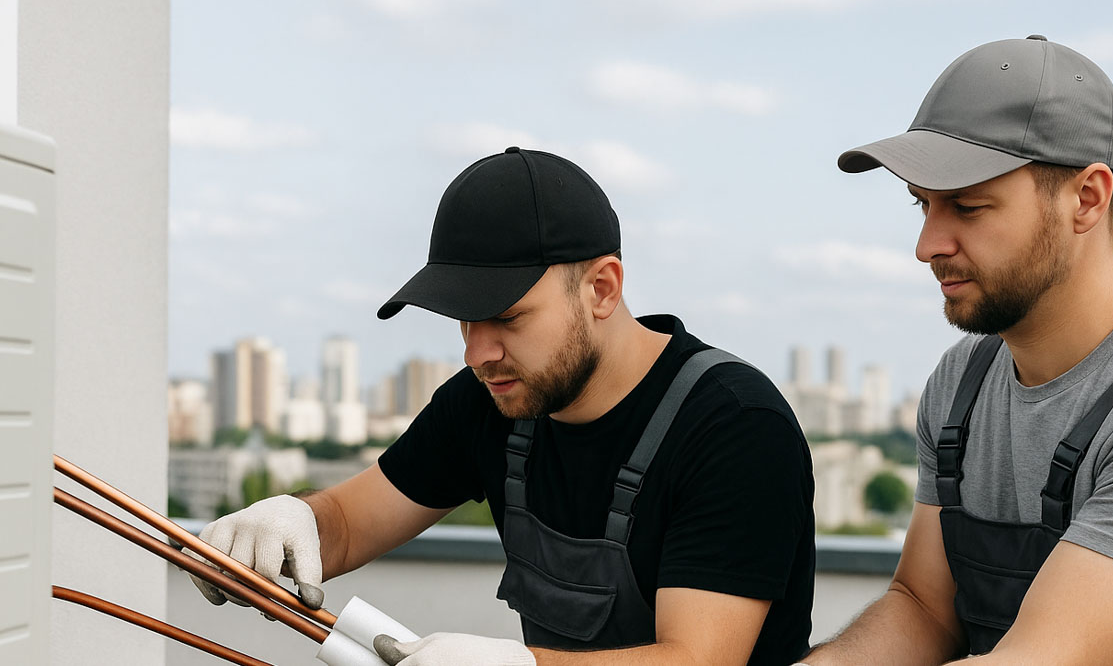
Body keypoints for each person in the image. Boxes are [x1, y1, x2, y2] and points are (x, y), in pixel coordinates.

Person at [191, 147, 815, 665]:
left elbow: (697, 661)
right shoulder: (492, 399)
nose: (478, 352)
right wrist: (288, 526)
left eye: (507, 318)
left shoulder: (734, 428)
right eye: (464, 320)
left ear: (602, 289)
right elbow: (351, 523)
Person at [801, 36, 1113, 665]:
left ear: (1086, 199)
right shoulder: (963, 380)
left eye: (967, 206)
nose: (927, 243)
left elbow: (1041, 656)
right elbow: (923, 608)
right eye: (922, 205)